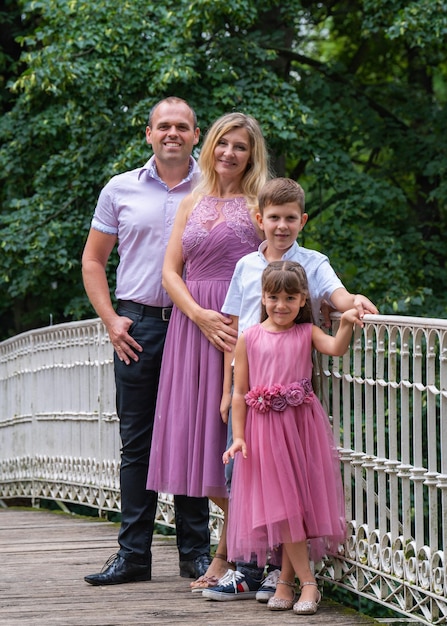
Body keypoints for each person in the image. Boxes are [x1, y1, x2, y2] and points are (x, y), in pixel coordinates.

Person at [202, 177, 378, 600]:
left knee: (291, 485)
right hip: (250, 389)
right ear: (260, 219)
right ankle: (249, 566)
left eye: (290, 218)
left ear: (303, 220)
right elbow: (236, 328)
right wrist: (229, 390)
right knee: (241, 478)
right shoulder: (246, 267)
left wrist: (352, 303)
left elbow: (336, 293)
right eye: (274, 218)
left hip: (292, 401)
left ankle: (277, 575)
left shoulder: (313, 262)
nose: (282, 226)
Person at [81, 96, 213, 585]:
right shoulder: (120, 189)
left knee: (192, 437)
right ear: (149, 134)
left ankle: (195, 554)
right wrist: (111, 320)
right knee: (136, 444)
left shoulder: (217, 187)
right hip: (138, 326)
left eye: (182, 126)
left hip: (195, 323)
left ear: (196, 135)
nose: (172, 133)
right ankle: (133, 555)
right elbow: (93, 260)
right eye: (164, 126)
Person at [146, 112, 270, 589]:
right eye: (222, 143)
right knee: (197, 452)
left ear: (251, 154)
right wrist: (198, 315)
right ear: (209, 145)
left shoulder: (260, 201)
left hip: (239, 328)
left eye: (240, 147)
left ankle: (240, 556)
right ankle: (239, 555)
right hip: (192, 327)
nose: (228, 154)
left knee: (230, 446)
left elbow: (284, 262)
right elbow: (170, 272)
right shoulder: (191, 200)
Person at [220, 260, 364, 615]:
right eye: (273, 297)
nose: (280, 305)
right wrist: (238, 437)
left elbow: (336, 348)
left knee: (295, 506)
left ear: (303, 300)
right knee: (283, 508)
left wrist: (345, 323)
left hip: (301, 428)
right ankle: (304, 582)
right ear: (262, 297)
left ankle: (293, 582)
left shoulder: (306, 333)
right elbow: (240, 393)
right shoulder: (249, 338)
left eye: (289, 297)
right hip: (264, 432)